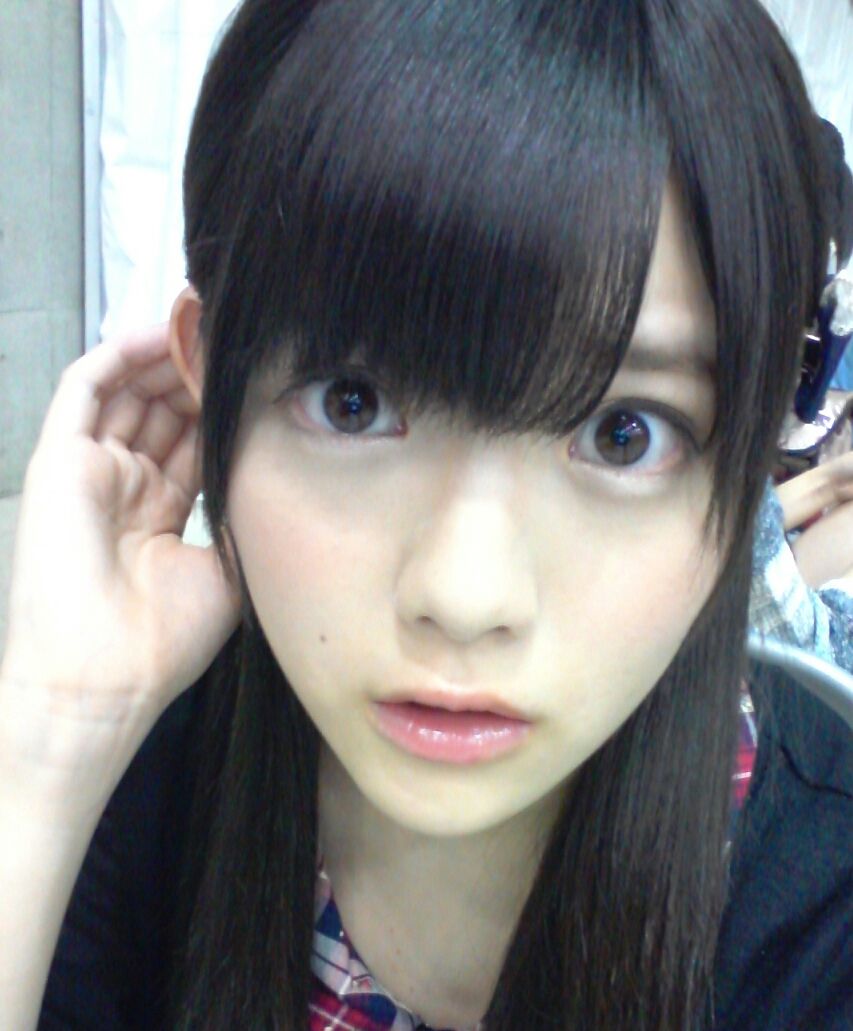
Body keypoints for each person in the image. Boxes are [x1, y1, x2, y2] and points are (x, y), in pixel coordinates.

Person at [1, 1, 850, 1028]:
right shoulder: (142, 780)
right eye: (352, 403)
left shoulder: (821, 908)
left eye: (622, 434)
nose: (465, 594)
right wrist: (52, 737)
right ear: (211, 389)